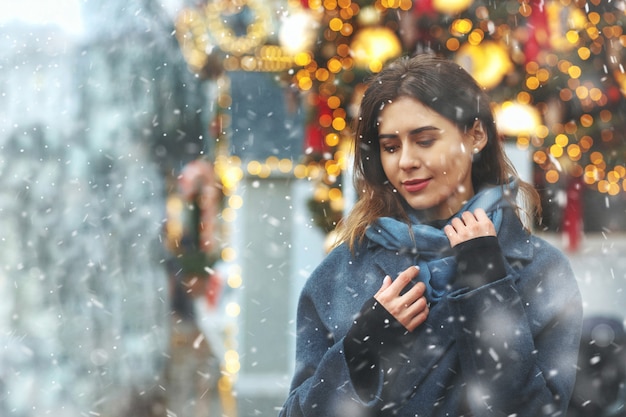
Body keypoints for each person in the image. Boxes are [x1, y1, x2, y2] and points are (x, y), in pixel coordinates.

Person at [279, 54, 583, 417]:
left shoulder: (541, 271)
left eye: (424, 140)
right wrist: (362, 347)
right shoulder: (343, 270)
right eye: (390, 147)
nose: (405, 160)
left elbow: (533, 412)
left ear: (476, 135)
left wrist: (486, 286)